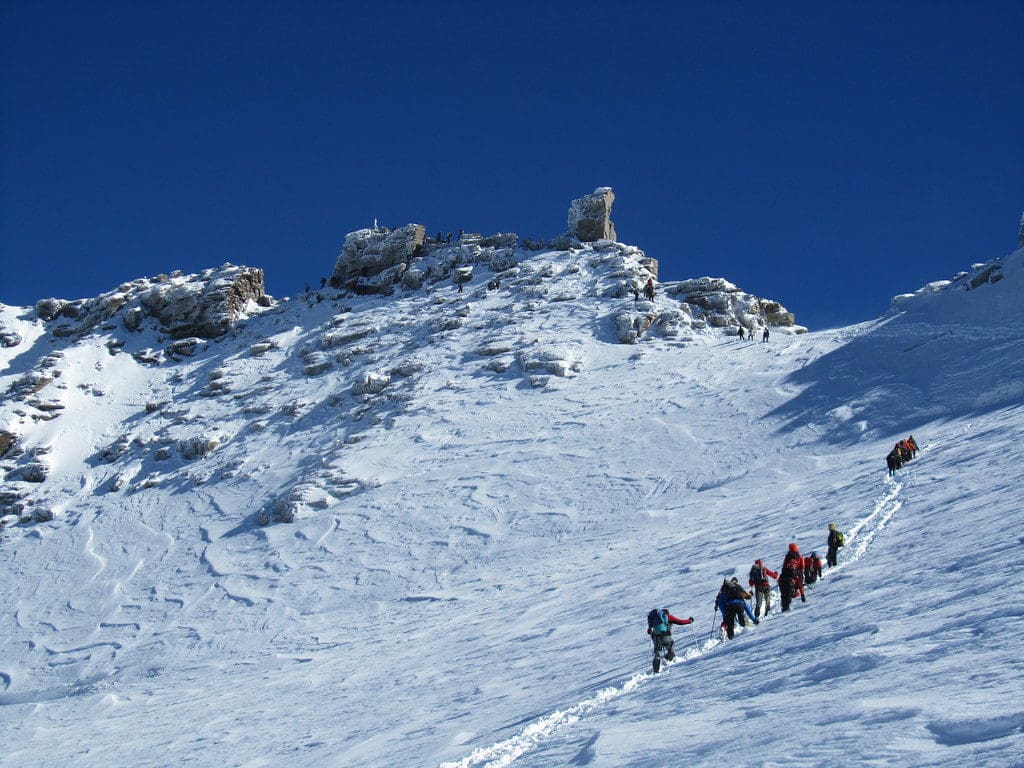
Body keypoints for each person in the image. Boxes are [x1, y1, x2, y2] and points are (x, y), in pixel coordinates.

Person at [647, 608, 694, 673]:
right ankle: (665, 660)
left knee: (657, 655)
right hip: (666, 636)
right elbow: (680, 622)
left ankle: (655, 671)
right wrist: (689, 621)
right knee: (671, 653)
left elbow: (649, 631)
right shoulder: (668, 617)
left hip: (656, 638)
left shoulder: (653, 618)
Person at [779, 543, 805, 611]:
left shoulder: (787, 556)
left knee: (784, 593)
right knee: (791, 592)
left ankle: (784, 607)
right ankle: (787, 606)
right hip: (793, 578)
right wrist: (803, 595)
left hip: (784, 578)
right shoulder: (799, 556)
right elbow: (802, 568)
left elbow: (784, 566)